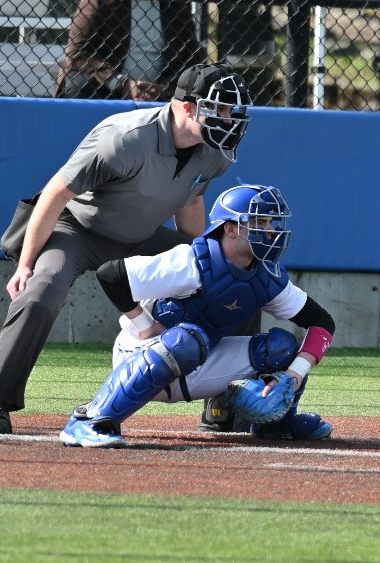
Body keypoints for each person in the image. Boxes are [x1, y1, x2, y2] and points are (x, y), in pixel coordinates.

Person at [0, 63, 251, 435]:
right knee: (40, 294)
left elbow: (191, 203)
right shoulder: (124, 137)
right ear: (186, 106)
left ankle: (226, 398)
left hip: (142, 237)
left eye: (233, 111)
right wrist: (26, 264)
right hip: (78, 231)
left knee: (233, 273)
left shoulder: (215, 151)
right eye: (221, 109)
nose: (229, 120)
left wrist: (202, 266)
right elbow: (55, 194)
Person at [63, 185, 338, 447]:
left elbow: (322, 322)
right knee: (187, 340)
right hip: (141, 355)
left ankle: (277, 422)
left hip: (198, 362)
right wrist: (144, 325)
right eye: (259, 223)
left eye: (270, 223)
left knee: (281, 348)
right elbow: (111, 274)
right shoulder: (191, 262)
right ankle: (90, 420)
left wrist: (294, 374)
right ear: (229, 229)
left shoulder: (267, 277)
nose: (270, 232)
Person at [55, 0, 204, 101]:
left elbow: (193, 57)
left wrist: (167, 89)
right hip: (109, 87)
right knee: (79, 84)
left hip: (161, 90)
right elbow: (77, 53)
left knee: (204, 82)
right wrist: (122, 84)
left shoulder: (175, 2)